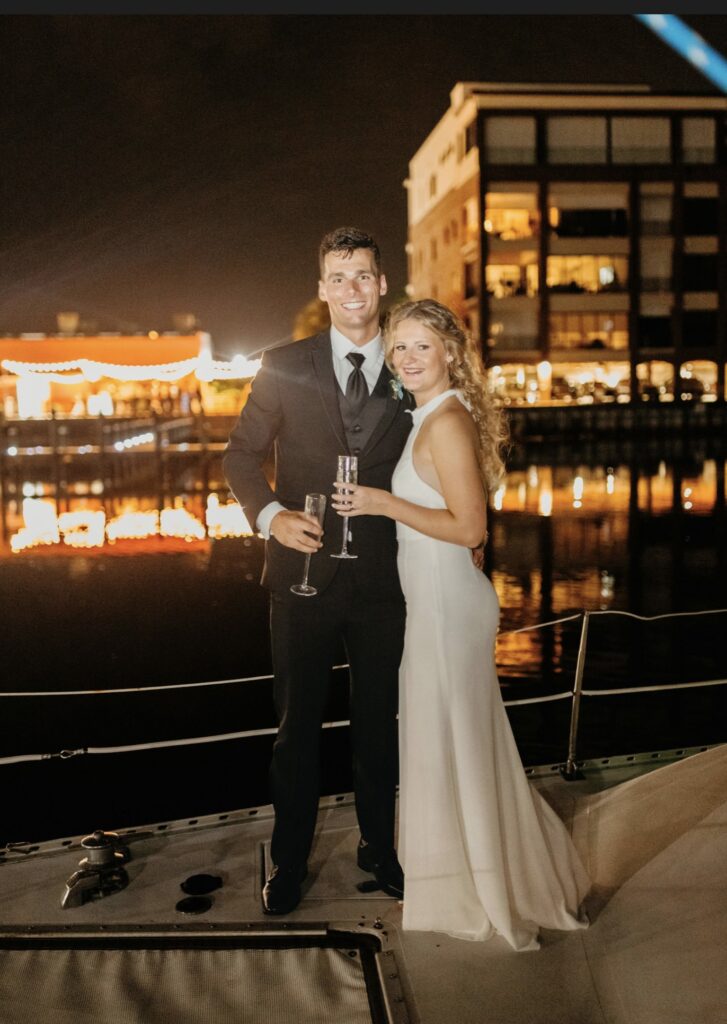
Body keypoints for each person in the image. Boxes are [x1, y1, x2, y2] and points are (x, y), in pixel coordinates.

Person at [331, 298, 591, 951]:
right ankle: (463, 882)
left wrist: (382, 502)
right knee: (447, 746)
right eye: (399, 349)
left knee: (456, 748)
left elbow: (472, 528)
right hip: (438, 601)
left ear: (450, 353)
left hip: (447, 608)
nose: (408, 359)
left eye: (422, 346)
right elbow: (459, 526)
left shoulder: (445, 423)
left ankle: (481, 894)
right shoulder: (428, 418)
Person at [223, 227, 413, 915]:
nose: (351, 289)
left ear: (382, 283)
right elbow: (239, 456)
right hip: (299, 578)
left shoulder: (409, 362)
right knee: (295, 728)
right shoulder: (283, 362)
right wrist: (269, 514)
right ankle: (289, 862)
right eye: (338, 277)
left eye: (363, 275)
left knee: (377, 726)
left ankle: (377, 850)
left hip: (385, 578)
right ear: (321, 288)